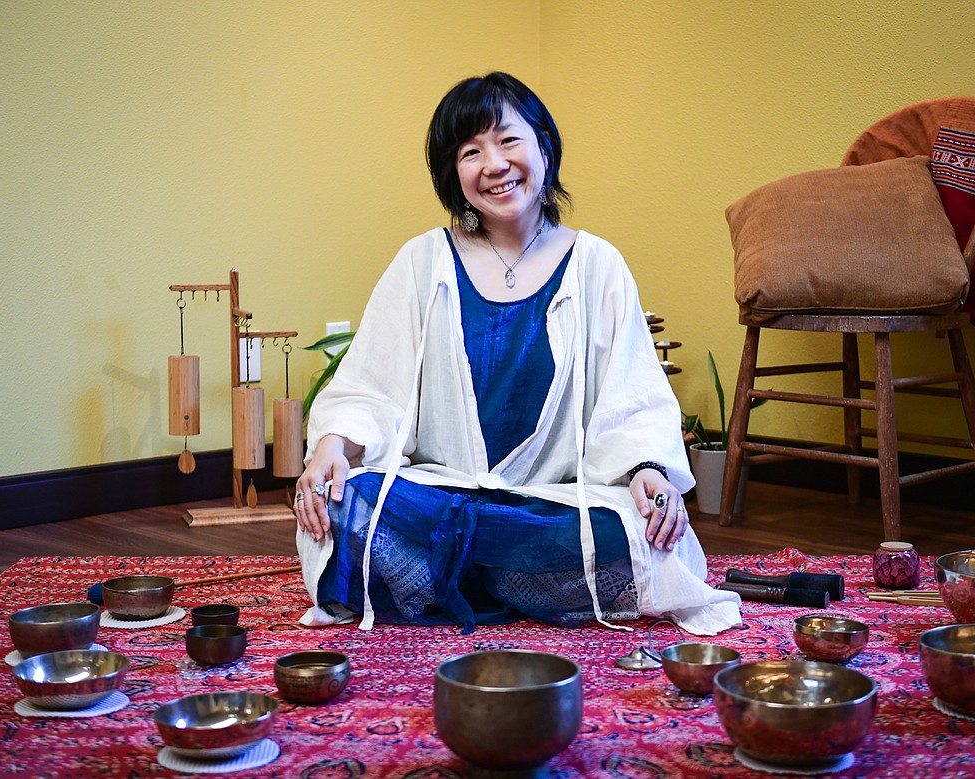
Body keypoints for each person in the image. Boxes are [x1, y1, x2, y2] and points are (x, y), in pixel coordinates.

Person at [294, 72, 741, 635]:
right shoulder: (422, 262)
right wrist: (328, 448)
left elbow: (633, 397)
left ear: (544, 148)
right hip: (443, 495)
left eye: (508, 140)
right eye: (470, 151)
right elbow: (370, 384)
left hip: (558, 503)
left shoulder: (597, 264)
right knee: (349, 500)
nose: (494, 164)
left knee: (641, 532)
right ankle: (521, 578)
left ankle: (466, 573)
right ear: (453, 176)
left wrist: (647, 472)